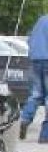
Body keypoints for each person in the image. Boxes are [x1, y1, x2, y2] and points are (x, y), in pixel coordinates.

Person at [20, 14, 48, 142]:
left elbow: (30, 40)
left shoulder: (41, 19)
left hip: (35, 60)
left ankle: (24, 120)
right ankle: (45, 135)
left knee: (36, 95)